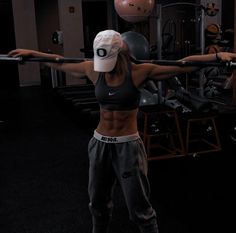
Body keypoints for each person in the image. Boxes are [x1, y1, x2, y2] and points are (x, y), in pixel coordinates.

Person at [8, 29, 236, 233]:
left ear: (121, 52)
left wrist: (215, 57)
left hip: (128, 147)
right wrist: (31, 53)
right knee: (97, 204)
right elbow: (58, 62)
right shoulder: (93, 69)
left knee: (139, 209)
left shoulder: (140, 72)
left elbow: (182, 64)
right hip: (99, 145)